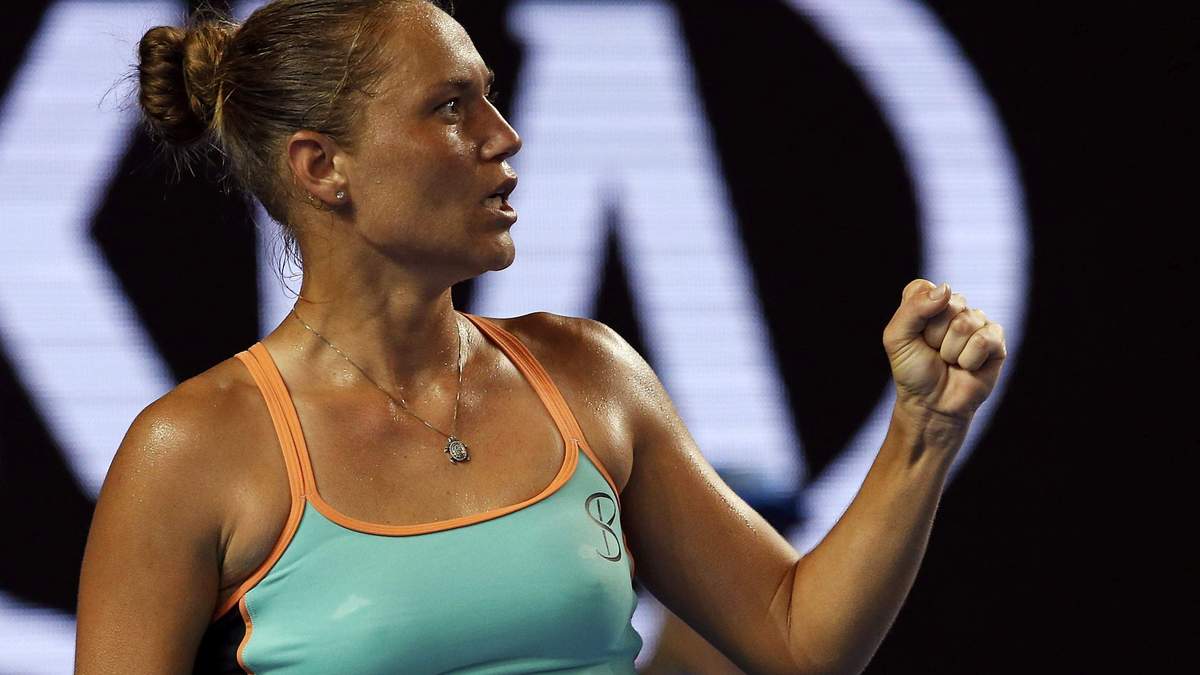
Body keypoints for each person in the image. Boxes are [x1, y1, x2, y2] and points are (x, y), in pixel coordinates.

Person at [74, 1, 1008, 673]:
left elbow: (797, 637)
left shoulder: (589, 372)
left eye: (490, 96)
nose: (505, 135)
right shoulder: (189, 450)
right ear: (323, 167)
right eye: (450, 107)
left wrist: (924, 428)